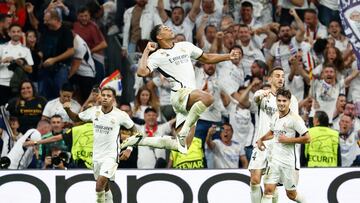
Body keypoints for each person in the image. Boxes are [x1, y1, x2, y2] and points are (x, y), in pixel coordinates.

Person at [132, 24, 240, 154]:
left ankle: (140, 141)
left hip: (190, 97)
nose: (169, 28)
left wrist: (228, 56)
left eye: (168, 27)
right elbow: (142, 72)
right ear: (159, 36)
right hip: (180, 93)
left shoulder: (185, 46)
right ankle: (185, 129)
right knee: (208, 98)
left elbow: (207, 58)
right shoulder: (157, 55)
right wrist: (146, 51)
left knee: (183, 146)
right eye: (165, 29)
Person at [63, 86, 141, 203]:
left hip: (111, 155)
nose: (105, 98)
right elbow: (76, 118)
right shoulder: (94, 111)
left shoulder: (120, 115)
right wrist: (67, 110)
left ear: (113, 99)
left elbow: (136, 132)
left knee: (99, 185)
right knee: (104, 186)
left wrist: (129, 149)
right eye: (103, 95)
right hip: (97, 155)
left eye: (108, 96)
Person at [248, 67, 298, 203]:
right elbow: (255, 98)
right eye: (277, 75)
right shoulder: (263, 94)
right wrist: (261, 95)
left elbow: (294, 123)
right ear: (270, 79)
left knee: (271, 187)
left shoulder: (291, 99)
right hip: (261, 144)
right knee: (254, 179)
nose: (281, 78)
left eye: (282, 76)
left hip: (278, 147)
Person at [257, 88, 310, 203]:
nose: (281, 103)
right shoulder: (275, 115)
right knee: (268, 190)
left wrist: (288, 140)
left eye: (284, 101)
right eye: (279, 100)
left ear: (289, 102)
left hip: (288, 162)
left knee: (291, 194)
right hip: (274, 160)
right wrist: (261, 139)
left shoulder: (295, 119)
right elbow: (272, 132)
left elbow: (307, 138)